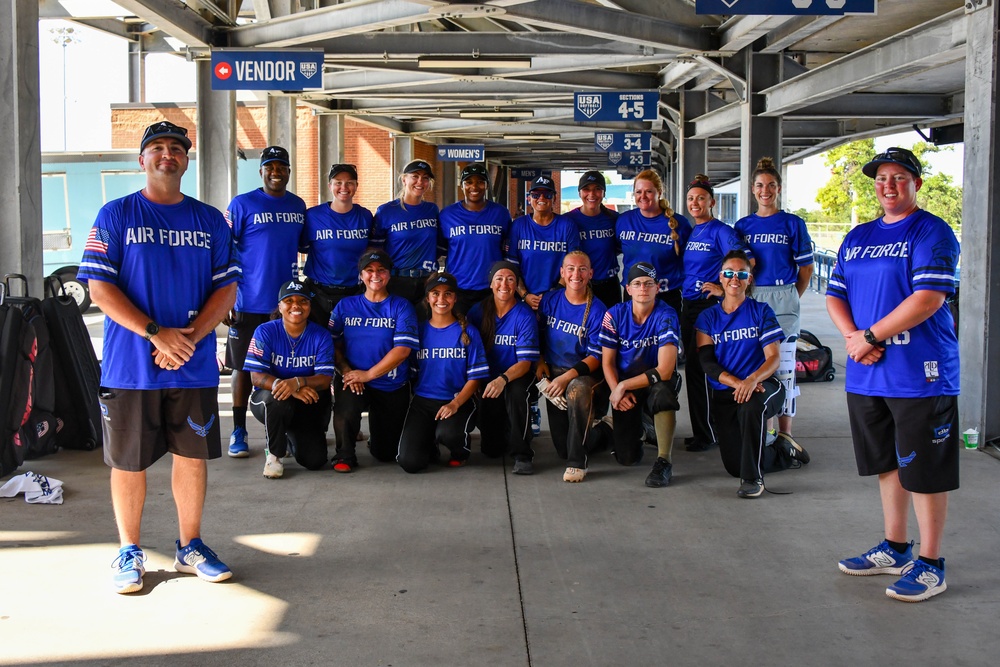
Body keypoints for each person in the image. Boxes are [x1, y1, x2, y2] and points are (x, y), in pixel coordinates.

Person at [80, 120, 238, 594]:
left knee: (191, 457)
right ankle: (129, 550)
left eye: (176, 148)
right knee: (129, 463)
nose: (167, 155)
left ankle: (190, 546)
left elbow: (226, 289)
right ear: (142, 160)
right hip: (131, 364)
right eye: (157, 148)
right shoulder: (116, 214)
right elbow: (100, 289)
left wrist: (184, 341)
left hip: (191, 364)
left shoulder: (209, 220)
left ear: (186, 160)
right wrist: (156, 334)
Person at [826, 147, 960, 603]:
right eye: (881, 178)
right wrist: (852, 338)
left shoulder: (932, 231)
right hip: (867, 373)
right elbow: (835, 294)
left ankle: (931, 563)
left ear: (916, 184)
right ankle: (896, 546)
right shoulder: (859, 236)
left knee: (925, 470)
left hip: (920, 374)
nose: (888, 185)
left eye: (899, 177)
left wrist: (871, 335)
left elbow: (929, 299)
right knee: (887, 463)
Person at [695, 251, 810, 499]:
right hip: (728, 391)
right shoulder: (708, 317)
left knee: (751, 407)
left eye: (741, 274)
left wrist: (751, 380)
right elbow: (707, 362)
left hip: (764, 386)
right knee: (734, 465)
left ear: (749, 279)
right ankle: (783, 450)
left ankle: (752, 479)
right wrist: (738, 383)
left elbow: (773, 357)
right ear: (720, 277)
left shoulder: (761, 311)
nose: (734, 279)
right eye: (728, 273)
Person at [224, 146, 307, 459]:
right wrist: (227, 292)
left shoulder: (298, 205)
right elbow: (223, 248)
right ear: (261, 171)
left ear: (288, 170)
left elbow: (304, 245)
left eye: (281, 166)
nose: (276, 172)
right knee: (242, 368)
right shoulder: (242, 203)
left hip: (285, 306)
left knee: (282, 369)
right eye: (270, 166)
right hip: (247, 302)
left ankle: (282, 432)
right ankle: (238, 430)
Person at [734, 157, 815, 446]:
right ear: (753, 190)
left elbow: (806, 269)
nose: (765, 190)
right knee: (759, 365)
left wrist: (792, 297)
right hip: (754, 296)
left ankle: (785, 435)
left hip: (784, 297)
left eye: (770, 185)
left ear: (778, 188)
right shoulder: (743, 225)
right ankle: (765, 432)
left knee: (785, 368)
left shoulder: (793, 223)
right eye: (759, 185)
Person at [328, 249, 419, 472]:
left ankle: (376, 441)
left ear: (389, 274)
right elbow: (334, 346)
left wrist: (368, 374)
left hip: (390, 384)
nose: (375, 275)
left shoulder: (401, 306)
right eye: (369, 270)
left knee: (385, 454)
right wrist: (348, 372)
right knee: (346, 407)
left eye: (381, 270)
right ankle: (345, 455)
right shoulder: (345, 306)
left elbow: (402, 350)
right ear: (360, 275)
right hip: (354, 379)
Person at [681, 174, 748, 452]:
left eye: (701, 198)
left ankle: (711, 432)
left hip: (708, 308)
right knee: (695, 372)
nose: (695, 203)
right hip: (689, 305)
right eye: (691, 199)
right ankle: (704, 431)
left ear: (712, 202)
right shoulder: (691, 230)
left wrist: (724, 290)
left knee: (706, 368)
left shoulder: (720, 230)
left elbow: (745, 261)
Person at [600, 262, 683, 488]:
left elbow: (665, 369)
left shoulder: (666, 314)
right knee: (627, 458)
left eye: (648, 284)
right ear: (628, 289)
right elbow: (607, 362)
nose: (643, 288)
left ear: (657, 287)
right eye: (637, 284)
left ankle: (664, 460)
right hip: (627, 386)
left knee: (663, 393)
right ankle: (640, 426)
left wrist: (622, 385)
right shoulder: (614, 315)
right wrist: (618, 389)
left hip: (655, 380)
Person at [397, 273, 490, 472]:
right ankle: (430, 443)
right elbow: (412, 374)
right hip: (423, 402)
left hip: (457, 399)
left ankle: (460, 451)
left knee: (449, 434)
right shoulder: (418, 332)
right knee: (410, 463)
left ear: (455, 298)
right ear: (427, 298)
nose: (441, 299)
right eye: (435, 294)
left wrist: (455, 404)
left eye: (448, 294)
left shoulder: (468, 332)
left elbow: (475, 377)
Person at [244, 280, 335, 479]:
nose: (296, 305)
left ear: (310, 306)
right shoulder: (266, 331)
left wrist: (298, 382)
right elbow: (257, 377)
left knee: (315, 461)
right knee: (277, 400)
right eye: (289, 300)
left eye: (303, 301)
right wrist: (290, 387)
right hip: (270, 400)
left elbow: (324, 379)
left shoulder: (320, 335)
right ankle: (274, 456)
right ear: (280, 306)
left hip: (304, 403)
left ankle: (289, 435)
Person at [536, 251, 610, 483]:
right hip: (554, 373)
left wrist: (565, 379)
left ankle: (578, 462)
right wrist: (540, 366)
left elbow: (596, 358)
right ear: (562, 273)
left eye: (581, 269)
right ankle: (608, 429)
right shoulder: (550, 300)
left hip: (585, 375)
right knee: (562, 448)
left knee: (576, 389)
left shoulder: (599, 310)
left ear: (590, 274)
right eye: (570, 268)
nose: (575, 274)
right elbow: (536, 336)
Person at [468, 261, 540, 475]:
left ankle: (523, 454)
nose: (504, 284)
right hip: (489, 378)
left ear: (517, 284)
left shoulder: (524, 315)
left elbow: (525, 363)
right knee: (491, 449)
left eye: (510, 279)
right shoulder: (478, 311)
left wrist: (502, 379)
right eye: (499, 278)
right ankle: (507, 431)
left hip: (516, 375)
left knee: (517, 394)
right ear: (491, 284)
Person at [301, 163, 373, 326]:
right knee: (319, 343)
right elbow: (302, 246)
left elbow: (370, 252)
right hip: (318, 294)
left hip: (353, 293)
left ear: (356, 186)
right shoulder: (313, 216)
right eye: (338, 182)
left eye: (349, 182)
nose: (344, 187)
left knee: (348, 345)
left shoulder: (365, 216)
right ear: (330, 185)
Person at [438, 163, 511, 314]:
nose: (474, 187)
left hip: (491, 288)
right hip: (458, 289)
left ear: (486, 185)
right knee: (461, 335)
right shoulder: (447, 215)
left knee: (488, 334)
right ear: (462, 185)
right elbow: (441, 249)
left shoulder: (501, 213)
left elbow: (507, 249)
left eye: (480, 182)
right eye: (469, 182)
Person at [615, 169, 691, 314]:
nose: (642, 196)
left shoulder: (678, 223)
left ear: (659, 192)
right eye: (638, 192)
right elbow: (617, 248)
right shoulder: (624, 221)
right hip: (633, 295)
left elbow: (690, 261)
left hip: (666, 296)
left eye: (648, 191)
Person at [508, 175, 581, 310]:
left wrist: (553, 294)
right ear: (529, 198)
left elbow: (572, 266)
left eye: (547, 194)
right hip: (523, 299)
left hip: (558, 297)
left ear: (554, 198)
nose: (541, 198)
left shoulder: (567, 225)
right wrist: (525, 295)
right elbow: (512, 266)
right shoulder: (519, 225)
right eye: (536, 195)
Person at [372, 160, 440, 305]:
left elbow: (437, 245)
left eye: (425, 178)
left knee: (425, 325)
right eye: (415, 176)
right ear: (404, 179)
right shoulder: (386, 211)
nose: (420, 181)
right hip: (397, 281)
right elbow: (374, 250)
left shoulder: (432, 210)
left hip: (427, 282)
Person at [565, 171, 621, 308]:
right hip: (580, 285)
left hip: (609, 285)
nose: (592, 194)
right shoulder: (568, 220)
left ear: (604, 193)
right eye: (586, 189)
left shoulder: (614, 219)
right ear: (579, 193)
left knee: (612, 327)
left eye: (597, 189)